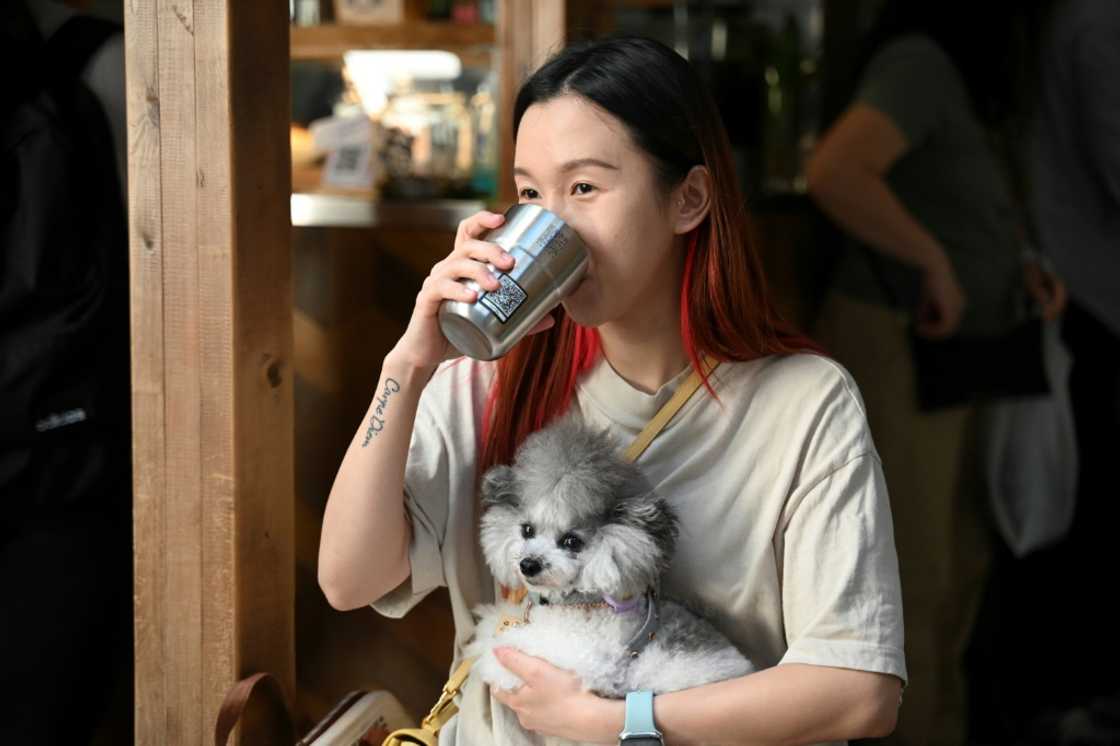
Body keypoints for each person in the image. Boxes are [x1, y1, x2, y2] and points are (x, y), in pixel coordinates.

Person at [319, 36, 906, 745]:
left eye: (585, 188)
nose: (550, 221)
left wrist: (618, 723)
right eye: (531, 193)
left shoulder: (804, 404)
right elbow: (349, 580)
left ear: (688, 199)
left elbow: (857, 693)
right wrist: (409, 364)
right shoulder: (482, 383)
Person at [806, 3, 1064, 744]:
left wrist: (1020, 266)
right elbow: (835, 172)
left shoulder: (960, 79)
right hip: (900, 346)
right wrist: (932, 262)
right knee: (915, 579)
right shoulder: (920, 61)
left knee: (960, 572)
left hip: (963, 356)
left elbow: (960, 197)